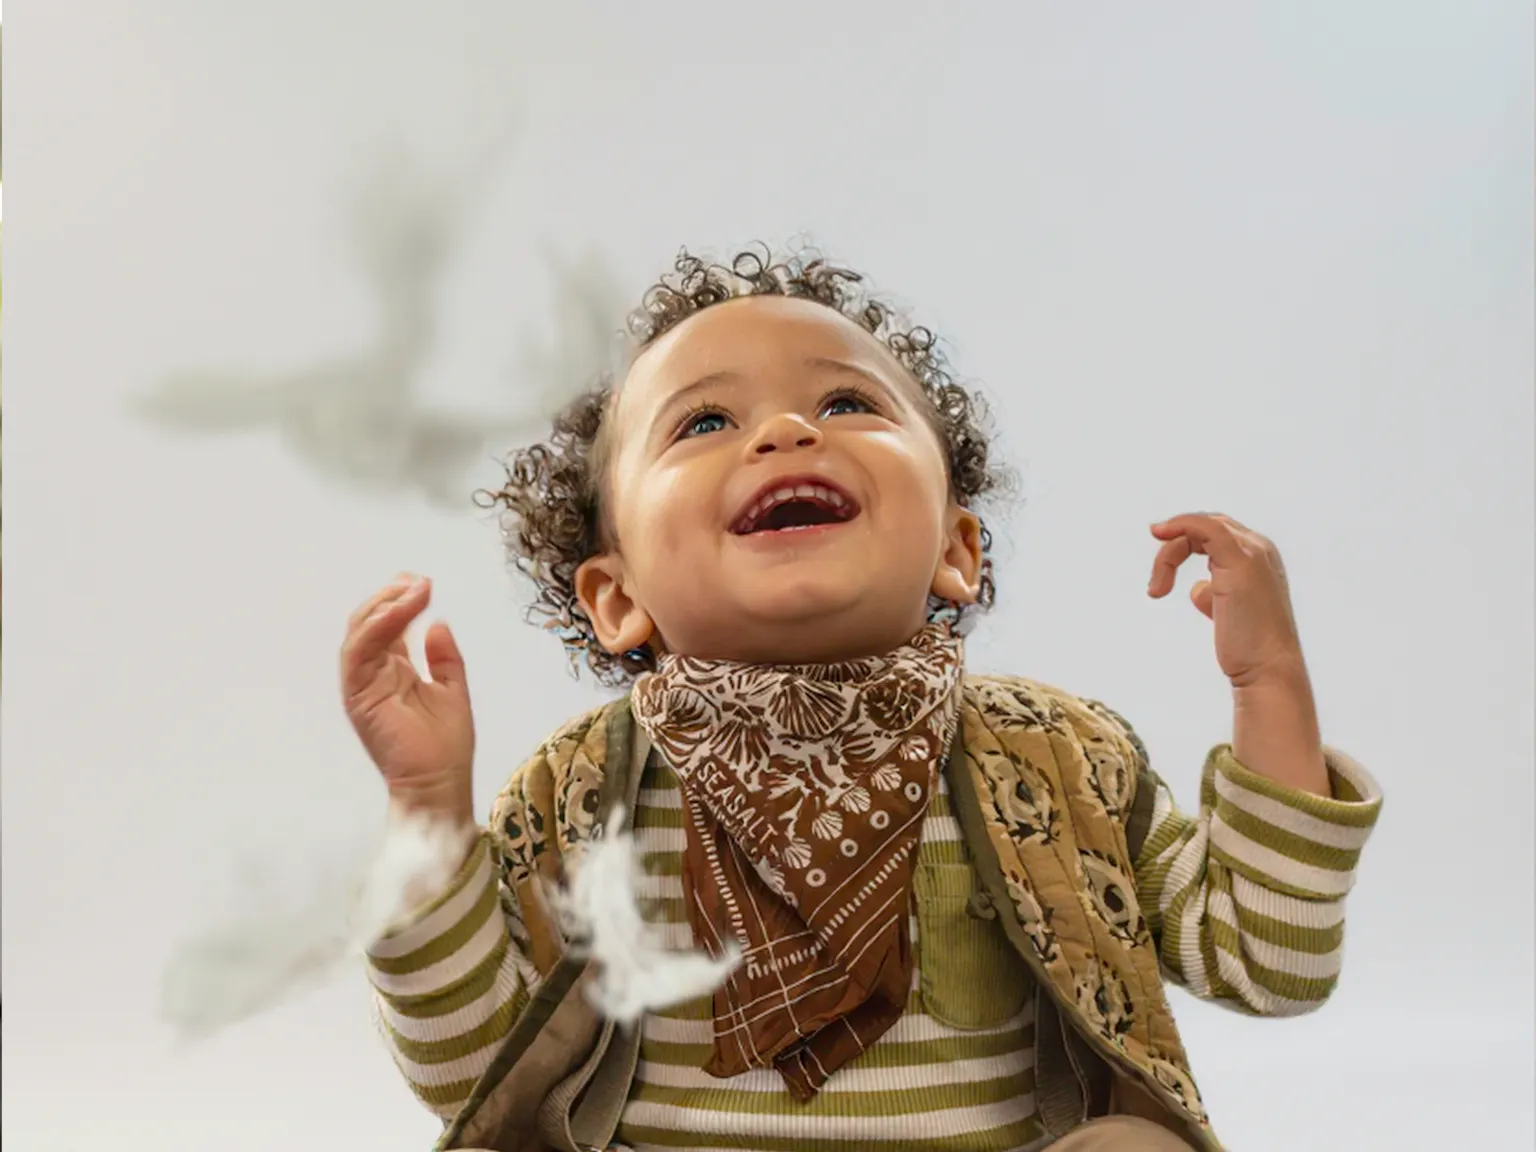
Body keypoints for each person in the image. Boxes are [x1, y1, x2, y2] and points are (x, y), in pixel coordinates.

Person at [340, 247, 1382, 1152]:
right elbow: (470, 1066)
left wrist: (1269, 683)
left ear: (957, 549)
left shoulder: (1060, 761)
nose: (787, 430)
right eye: (704, 420)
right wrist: (427, 804)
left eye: (847, 404)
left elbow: (1270, 961)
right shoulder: (581, 792)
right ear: (616, 599)